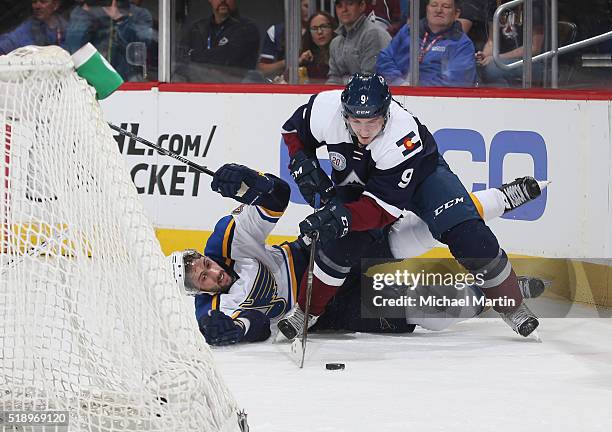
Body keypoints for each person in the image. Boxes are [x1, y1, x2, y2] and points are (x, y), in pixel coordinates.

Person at [278, 72, 541, 343]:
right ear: (345, 112)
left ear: (387, 112)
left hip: (421, 175)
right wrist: (300, 160)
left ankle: (512, 305)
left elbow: (381, 212)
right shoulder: (326, 108)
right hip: (361, 179)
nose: (364, 130)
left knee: (469, 235)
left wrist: (342, 217)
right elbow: (293, 130)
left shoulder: (402, 137)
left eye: (372, 121)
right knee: (339, 245)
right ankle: (305, 312)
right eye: (356, 121)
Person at [170, 163, 546, 346]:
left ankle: (501, 198)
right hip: (327, 308)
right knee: (431, 313)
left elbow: (277, 197)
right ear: (199, 292)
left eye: (205, 264)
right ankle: (500, 293)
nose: (212, 272)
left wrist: (253, 181)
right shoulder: (213, 311)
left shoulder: (225, 242)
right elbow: (255, 327)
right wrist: (233, 333)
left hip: (322, 254)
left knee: (419, 231)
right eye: (203, 278)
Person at [376, 0, 477, 87]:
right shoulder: (408, 31)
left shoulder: (462, 44)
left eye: (446, 6)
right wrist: (397, 82)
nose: (438, 10)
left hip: (436, 102)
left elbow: (455, 80)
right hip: (396, 94)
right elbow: (384, 58)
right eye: (434, 5)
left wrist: (418, 90)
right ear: (427, 9)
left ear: (456, 14)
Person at [66, 0, 153, 81]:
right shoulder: (83, 12)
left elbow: (142, 44)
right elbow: (74, 46)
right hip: (93, 81)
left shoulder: (139, 14)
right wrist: (86, 11)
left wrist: (119, 18)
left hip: (128, 80)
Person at [176, 0, 260, 83]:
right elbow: (179, 62)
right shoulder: (196, 28)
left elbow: (228, 57)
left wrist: (194, 55)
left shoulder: (247, 28)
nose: (223, 0)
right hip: (197, 91)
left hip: (235, 92)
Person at [476, 0, 544, 86]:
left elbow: (534, 48)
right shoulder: (494, 5)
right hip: (502, 61)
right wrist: (484, 56)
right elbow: (491, 41)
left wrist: (496, 58)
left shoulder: (533, 6)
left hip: (533, 62)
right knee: (477, 66)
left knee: (492, 69)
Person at [327, 0, 391, 84]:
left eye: (350, 4)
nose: (344, 9)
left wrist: (344, 80)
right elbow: (333, 80)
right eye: (339, 6)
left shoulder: (373, 34)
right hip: (349, 94)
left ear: (362, 6)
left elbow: (369, 80)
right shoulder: (335, 43)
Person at [256, 0, 310, 80]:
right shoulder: (275, 31)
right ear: (296, 7)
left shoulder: (323, 33)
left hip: (316, 84)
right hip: (283, 85)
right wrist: (290, 61)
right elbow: (263, 69)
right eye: (306, 6)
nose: (309, 11)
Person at [0, 0, 67, 55]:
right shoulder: (26, 29)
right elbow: (7, 43)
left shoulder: (66, 25)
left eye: (43, 1)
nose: (37, 6)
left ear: (55, 5)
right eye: (34, 1)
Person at [299, 11, 338, 83]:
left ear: (333, 29)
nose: (319, 32)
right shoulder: (306, 57)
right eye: (314, 28)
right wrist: (299, 62)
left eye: (324, 26)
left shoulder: (342, 54)